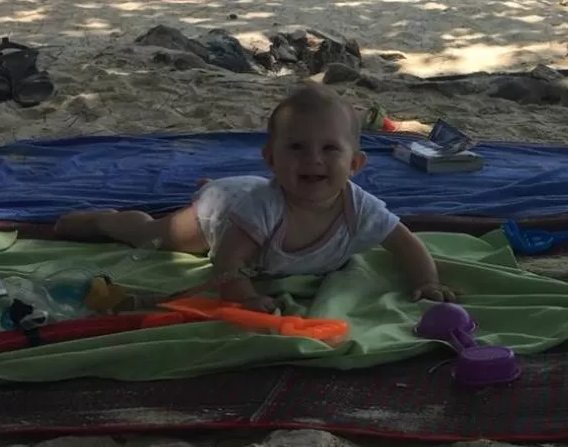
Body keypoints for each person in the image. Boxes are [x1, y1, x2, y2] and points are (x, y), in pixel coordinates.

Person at [53, 84, 453, 309]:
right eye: (296, 148)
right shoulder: (265, 207)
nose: (313, 159)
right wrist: (242, 295)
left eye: (330, 150)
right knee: (156, 237)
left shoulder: (358, 206)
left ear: (355, 165)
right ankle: (107, 219)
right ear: (271, 159)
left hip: (242, 191)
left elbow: (405, 242)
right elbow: (228, 260)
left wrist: (427, 280)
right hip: (221, 211)